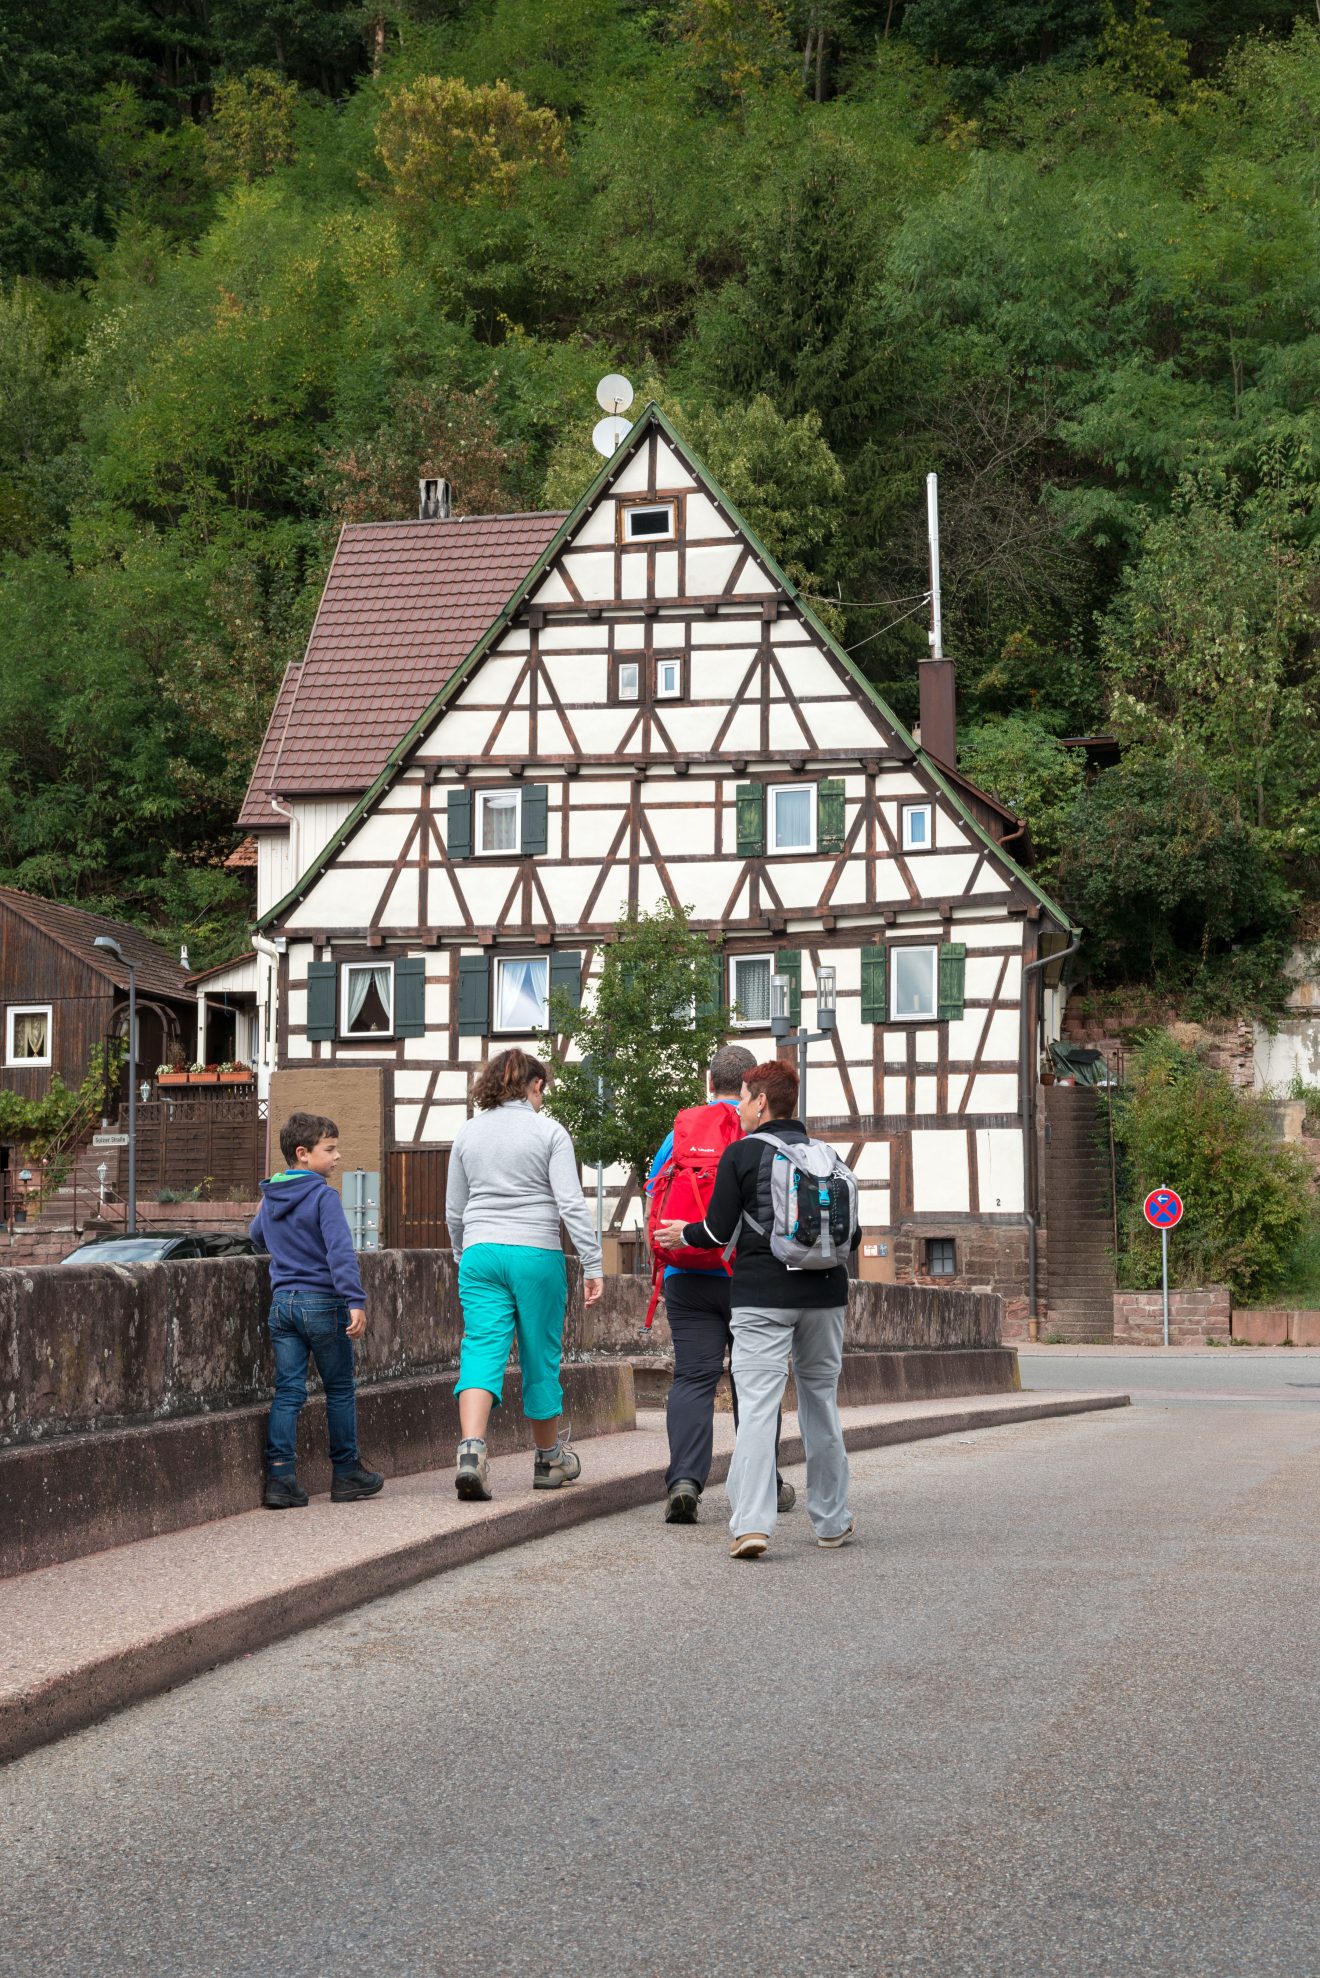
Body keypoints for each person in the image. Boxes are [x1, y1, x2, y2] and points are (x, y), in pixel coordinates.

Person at [658, 1058, 856, 1560]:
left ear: (761, 1101)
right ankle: (831, 1522)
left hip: (763, 1297)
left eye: (745, 1100)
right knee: (821, 1405)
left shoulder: (743, 1154)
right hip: (826, 1296)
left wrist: (679, 1233)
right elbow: (853, 1235)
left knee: (759, 1409)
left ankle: (751, 1525)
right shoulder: (828, 1155)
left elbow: (716, 1233)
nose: (740, 1109)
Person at [446, 1048, 604, 1501]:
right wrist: (592, 1264)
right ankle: (549, 1459)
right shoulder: (549, 1131)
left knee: (480, 1348)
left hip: (480, 1251)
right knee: (539, 1355)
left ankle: (472, 1452)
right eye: (543, 1092)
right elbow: (571, 1204)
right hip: (536, 1251)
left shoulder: (467, 1134)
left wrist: (463, 1251)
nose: (543, 1099)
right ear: (535, 1086)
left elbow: (454, 1208)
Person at [646, 1044, 794, 1525]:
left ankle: (685, 1482)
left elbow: (656, 1193)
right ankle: (764, 1482)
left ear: (710, 1083)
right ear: (753, 1088)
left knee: (692, 1377)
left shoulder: (682, 1132)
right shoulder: (761, 1132)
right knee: (754, 1383)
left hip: (687, 1273)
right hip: (748, 1278)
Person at [251, 1112, 385, 1511]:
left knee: (288, 1391)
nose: (338, 1156)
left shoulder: (272, 1193)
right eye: (330, 1149)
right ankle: (346, 1473)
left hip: (283, 1303)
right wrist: (355, 1300)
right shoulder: (324, 1196)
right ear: (303, 1154)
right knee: (339, 1389)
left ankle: (280, 1478)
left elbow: (256, 1236)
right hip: (322, 1302)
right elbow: (340, 1252)